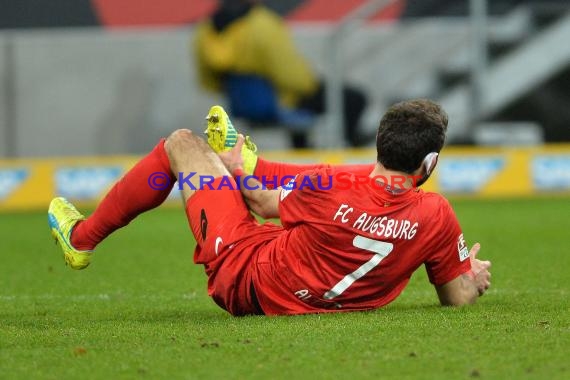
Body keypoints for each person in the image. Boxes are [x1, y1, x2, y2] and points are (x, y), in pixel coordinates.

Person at [48, 100, 491, 316]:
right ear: (429, 163)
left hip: (245, 278)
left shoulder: (331, 186)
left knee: (181, 145)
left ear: (381, 142)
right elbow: (457, 296)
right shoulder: (437, 215)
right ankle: (250, 160)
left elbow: (260, 202)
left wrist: (238, 170)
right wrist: (471, 271)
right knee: (309, 189)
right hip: (314, 285)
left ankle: (80, 239)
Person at [193, 0, 370, 148]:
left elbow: (207, 80)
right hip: (280, 100)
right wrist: (311, 84)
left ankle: (304, 152)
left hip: (243, 104)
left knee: (307, 103)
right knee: (354, 98)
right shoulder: (261, 25)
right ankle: (348, 147)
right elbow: (290, 74)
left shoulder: (206, 31)